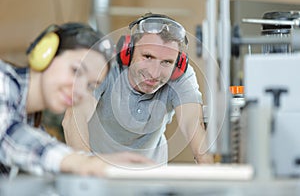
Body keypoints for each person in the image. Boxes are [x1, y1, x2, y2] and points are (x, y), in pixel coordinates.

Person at [0, 22, 152, 178]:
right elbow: (7, 135)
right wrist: (81, 162)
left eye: (90, 86)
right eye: (76, 71)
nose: (79, 91)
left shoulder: (30, 122)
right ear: (45, 53)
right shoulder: (2, 79)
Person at [63, 13, 214, 165]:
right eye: (148, 57)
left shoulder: (182, 76)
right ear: (128, 51)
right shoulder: (105, 65)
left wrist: (210, 167)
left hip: (151, 173)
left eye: (166, 62)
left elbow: (193, 125)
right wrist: (86, 166)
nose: (154, 73)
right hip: (99, 169)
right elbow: (75, 117)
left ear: (178, 64)